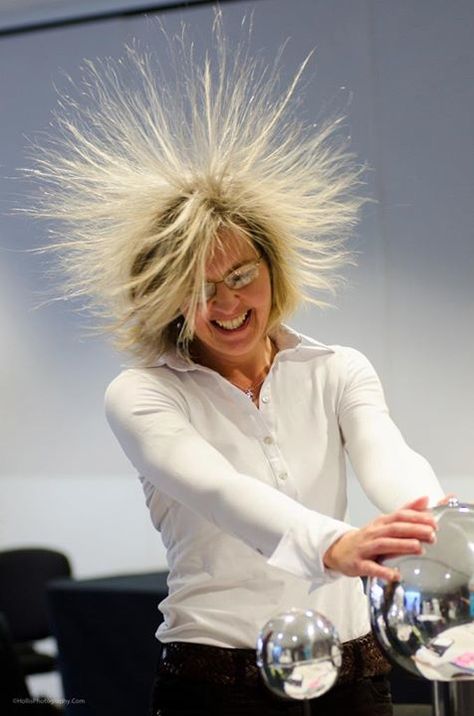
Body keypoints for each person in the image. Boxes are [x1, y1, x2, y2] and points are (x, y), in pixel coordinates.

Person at [28, 16, 446, 716]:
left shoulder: (337, 368)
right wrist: (336, 543)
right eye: (197, 288)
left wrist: (432, 525)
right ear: (165, 300)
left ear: (274, 272)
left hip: (354, 671)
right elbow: (220, 491)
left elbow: (386, 455)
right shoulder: (141, 394)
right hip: (219, 681)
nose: (225, 303)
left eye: (241, 275)